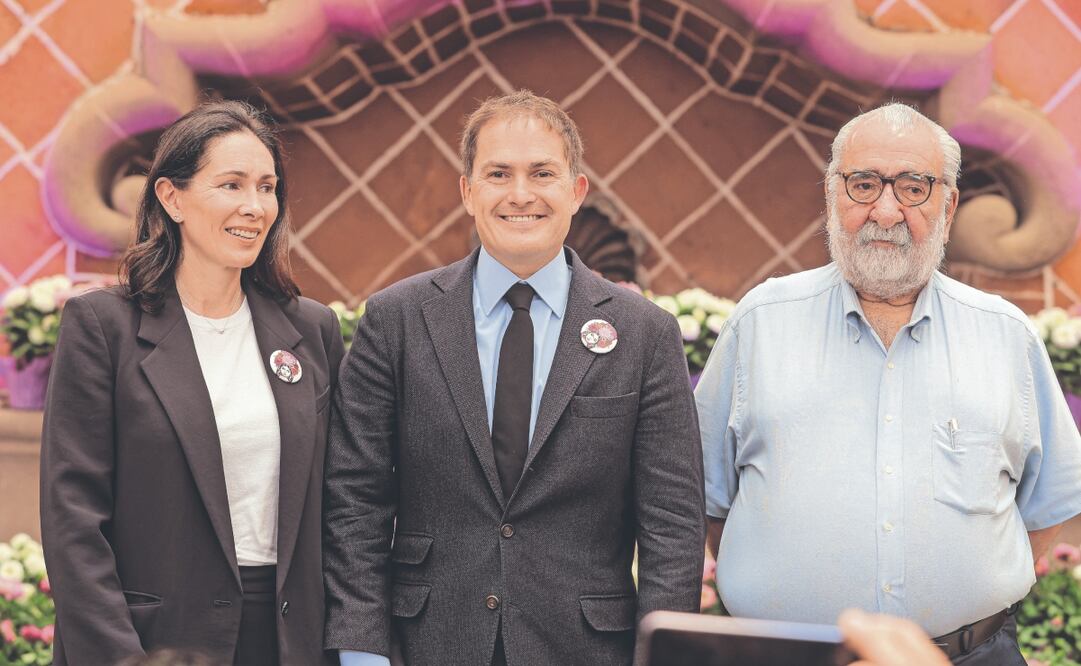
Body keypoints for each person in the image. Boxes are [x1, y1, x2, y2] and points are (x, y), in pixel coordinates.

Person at [323, 90, 705, 666]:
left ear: (576, 192)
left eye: (542, 173)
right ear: (467, 192)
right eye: (498, 173)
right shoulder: (396, 319)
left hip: (586, 648)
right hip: (426, 643)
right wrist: (361, 648)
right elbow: (354, 496)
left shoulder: (645, 334)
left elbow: (672, 525)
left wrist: (663, 655)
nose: (520, 194)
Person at [695, 103, 1081, 664]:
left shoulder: (1005, 335)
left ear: (948, 206)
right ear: (832, 196)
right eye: (864, 184)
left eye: (912, 187)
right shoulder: (760, 323)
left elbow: (1044, 510)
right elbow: (709, 501)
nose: (886, 209)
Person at [40, 101, 345, 665]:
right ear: (171, 198)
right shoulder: (102, 328)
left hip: (288, 641)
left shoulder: (312, 329)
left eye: (267, 187)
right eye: (231, 185)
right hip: (154, 644)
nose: (255, 207)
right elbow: (73, 522)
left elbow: (342, 507)